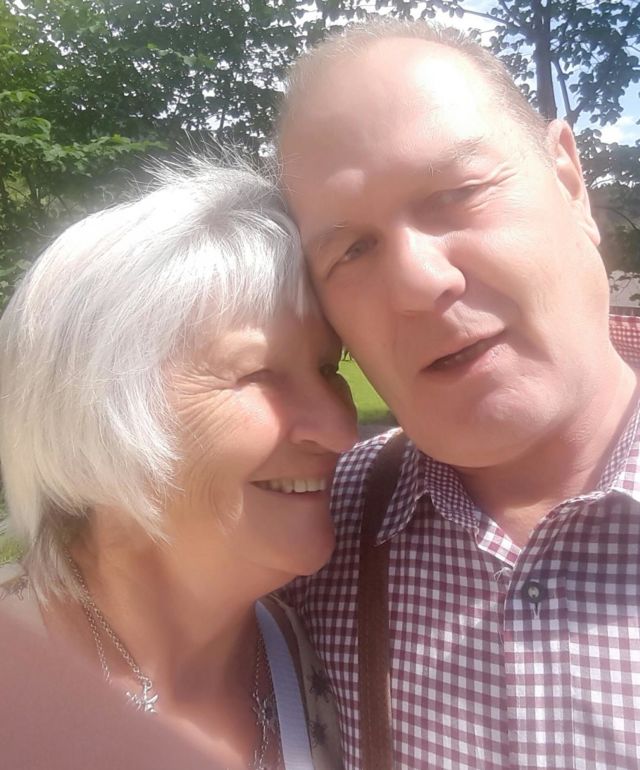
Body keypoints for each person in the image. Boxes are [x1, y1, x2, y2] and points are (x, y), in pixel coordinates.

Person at [276, 19, 640, 770]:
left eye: (457, 194)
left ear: (570, 183)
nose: (418, 283)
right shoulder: (306, 539)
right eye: (352, 249)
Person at [0, 157, 358, 769]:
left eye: (328, 368)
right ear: (98, 410)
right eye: (257, 374)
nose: (341, 430)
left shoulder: (321, 668)